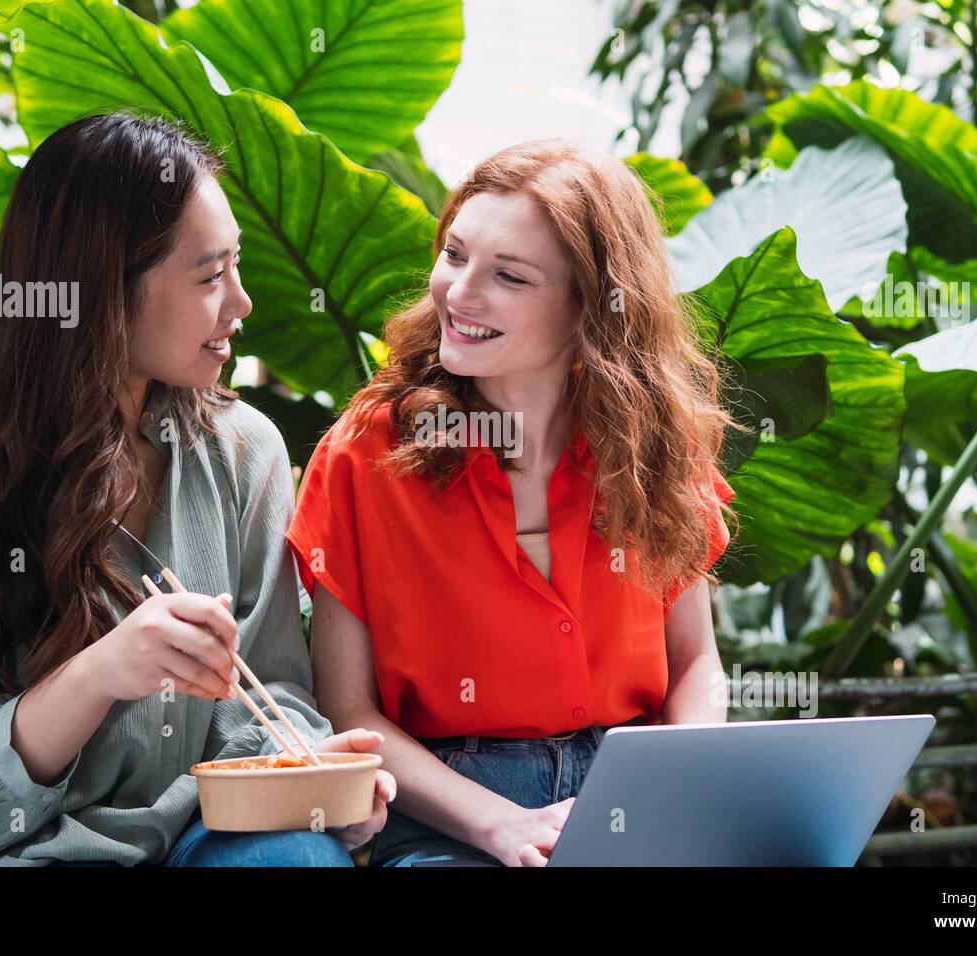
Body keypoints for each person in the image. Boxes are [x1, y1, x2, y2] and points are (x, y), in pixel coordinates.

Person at [0, 112, 393, 866]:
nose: (242, 302)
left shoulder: (244, 448)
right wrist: (99, 674)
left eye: (237, 264)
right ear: (102, 294)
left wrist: (309, 774)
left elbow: (273, 694)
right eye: (209, 275)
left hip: (199, 832)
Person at [288, 139, 739, 867]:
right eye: (455, 255)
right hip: (448, 814)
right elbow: (349, 712)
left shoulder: (658, 444)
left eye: (510, 276)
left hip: (634, 792)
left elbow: (696, 665)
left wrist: (673, 788)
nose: (460, 293)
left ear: (590, 308)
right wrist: (498, 825)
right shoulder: (362, 453)